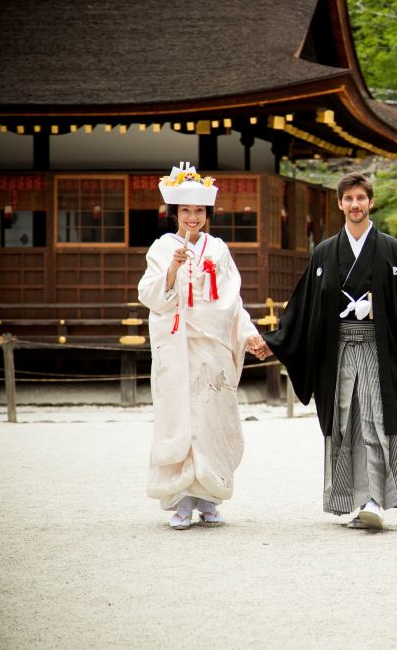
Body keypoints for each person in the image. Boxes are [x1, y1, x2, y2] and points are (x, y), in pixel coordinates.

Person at [259, 172, 397, 530]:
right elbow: (304, 307)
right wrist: (274, 340)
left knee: (376, 422)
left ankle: (375, 499)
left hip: (380, 352)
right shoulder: (325, 252)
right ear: (340, 203)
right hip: (338, 351)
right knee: (344, 423)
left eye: (362, 198)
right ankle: (348, 500)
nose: (356, 205)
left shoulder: (393, 250)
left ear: (370, 202)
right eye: (349, 199)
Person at [137, 162, 267, 530]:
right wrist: (172, 270)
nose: (192, 218)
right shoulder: (163, 248)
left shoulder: (219, 250)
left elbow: (231, 302)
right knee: (179, 419)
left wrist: (249, 334)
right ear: (174, 213)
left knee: (212, 421)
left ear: (207, 214)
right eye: (185, 211)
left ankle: (209, 498)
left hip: (212, 350)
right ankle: (181, 500)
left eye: (198, 211)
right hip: (178, 350)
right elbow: (149, 295)